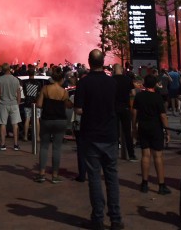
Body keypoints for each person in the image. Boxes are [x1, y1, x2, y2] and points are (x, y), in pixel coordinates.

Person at [74, 49, 123, 230]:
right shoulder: (112, 83)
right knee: (112, 177)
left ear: (89, 62)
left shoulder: (84, 83)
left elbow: (78, 110)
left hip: (91, 135)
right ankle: (116, 219)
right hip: (109, 134)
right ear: (103, 62)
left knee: (94, 178)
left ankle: (98, 219)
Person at [133, 73, 170, 195]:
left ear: (144, 84)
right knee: (158, 156)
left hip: (143, 127)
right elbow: (163, 116)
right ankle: (161, 184)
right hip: (156, 128)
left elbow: (134, 113)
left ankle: (144, 183)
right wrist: (167, 130)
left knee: (145, 155)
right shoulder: (158, 97)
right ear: (155, 84)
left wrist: (134, 127)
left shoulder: (139, 96)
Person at [36, 65, 72, 182]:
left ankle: (41, 174)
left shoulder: (45, 89)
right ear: (61, 79)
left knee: (44, 147)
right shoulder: (64, 92)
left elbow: (40, 105)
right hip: (60, 120)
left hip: (47, 119)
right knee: (57, 148)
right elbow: (67, 105)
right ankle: (55, 175)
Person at [112, 64, 137, 162]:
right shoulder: (127, 79)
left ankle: (114, 154)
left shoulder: (111, 80)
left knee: (115, 132)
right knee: (127, 132)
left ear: (113, 70)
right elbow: (133, 93)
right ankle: (131, 154)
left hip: (114, 108)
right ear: (122, 70)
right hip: (125, 107)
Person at [0, 63, 23, 151]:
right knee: (15, 124)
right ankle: (15, 144)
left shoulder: (0, 79)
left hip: (3, 104)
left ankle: (3, 144)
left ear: (2, 70)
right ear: (10, 69)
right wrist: (17, 103)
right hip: (14, 103)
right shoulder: (15, 80)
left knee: (3, 124)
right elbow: (18, 93)